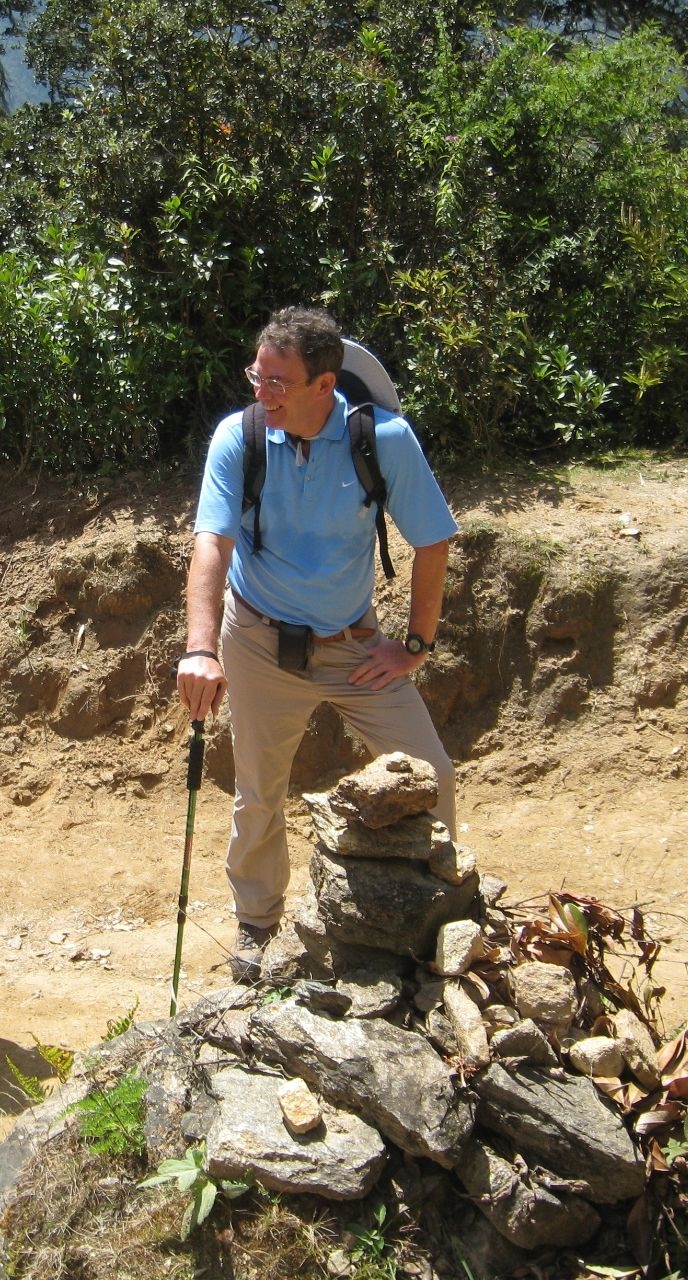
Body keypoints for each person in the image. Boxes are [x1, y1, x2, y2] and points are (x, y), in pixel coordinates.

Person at [176, 306, 459, 982]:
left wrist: (415, 644)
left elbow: (434, 540)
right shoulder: (237, 438)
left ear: (323, 384)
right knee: (258, 793)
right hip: (255, 639)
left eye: (277, 381)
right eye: (256, 376)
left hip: (351, 647)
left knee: (434, 775)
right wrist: (201, 647)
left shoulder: (382, 439)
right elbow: (210, 544)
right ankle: (256, 928)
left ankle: (440, 914)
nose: (261, 392)